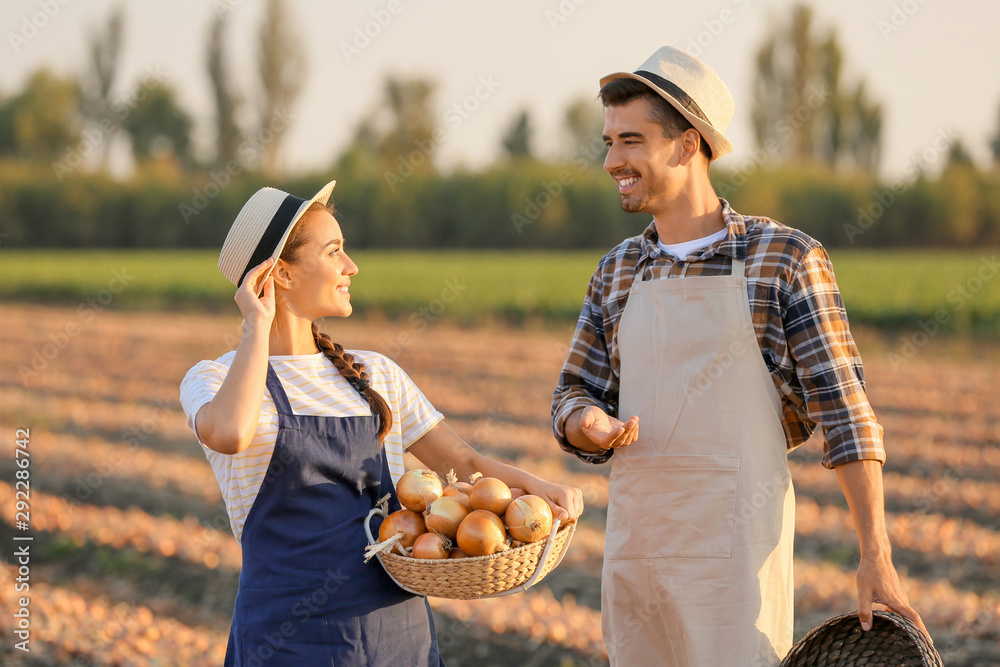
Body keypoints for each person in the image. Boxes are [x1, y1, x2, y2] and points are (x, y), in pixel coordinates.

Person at [550, 46, 929, 666]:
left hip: (736, 570)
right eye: (609, 142)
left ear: (686, 143)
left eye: (631, 141)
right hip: (636, 557)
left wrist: (876, 555)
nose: (612, 160)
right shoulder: (617, 271)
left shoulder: (783, 260)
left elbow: (844, 412)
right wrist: (585, 424)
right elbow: (573, 393)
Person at [180, 180, 584, 666]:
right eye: (334, 252)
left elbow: (463, 462)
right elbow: (229, 434)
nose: (351, 267)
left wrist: (541, 487)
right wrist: (256, 326)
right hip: (287, 640)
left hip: (396, 635)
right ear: (281, 273)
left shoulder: (375, 374)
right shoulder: (216, 378)